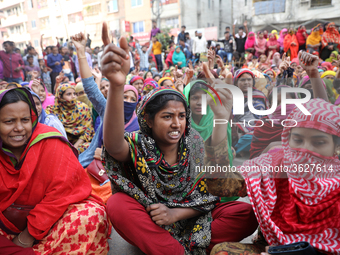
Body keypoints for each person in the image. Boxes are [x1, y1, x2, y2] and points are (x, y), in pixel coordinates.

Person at [99, 25, 258, 254]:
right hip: (153, 223)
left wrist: (175, 213)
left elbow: (212, 192)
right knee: (116, 205)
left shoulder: (193, 143)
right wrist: (115, 84)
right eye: (167, 116)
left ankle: (169, 247)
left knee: (246, 213)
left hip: (195, 221)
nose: (177, 123)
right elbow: (114, 146)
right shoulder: (139, 144)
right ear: (149, 121)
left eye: (182, 116)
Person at [0, 87, 109, 254]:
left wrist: (27, 236)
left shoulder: (50, 141)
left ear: (33, 119)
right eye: (9, 121)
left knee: (90, 217)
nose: (19, 128)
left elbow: (61, 193)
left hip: (51, 222)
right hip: (5, 227)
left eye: (25, 120)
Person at [45, 83, 94, 153]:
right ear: (60, 97)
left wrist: (74, 148)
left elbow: (87, 131)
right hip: (61, 144)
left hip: (79, 144)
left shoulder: (83, 108)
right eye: (69, 94)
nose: (73, 96)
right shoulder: (52, 111)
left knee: (88, 146)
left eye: (74, 93)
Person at [232, 69, 269, 155]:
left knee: (253, 137)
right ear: (236, 82)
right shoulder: (232, 95)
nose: (246, 82)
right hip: (236, 128)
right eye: (242, 80)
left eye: (249, 79)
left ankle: (236, 150)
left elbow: (266, 115)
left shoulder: (260, 95)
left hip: (257, 128)